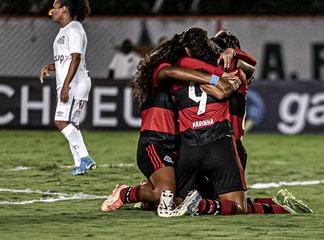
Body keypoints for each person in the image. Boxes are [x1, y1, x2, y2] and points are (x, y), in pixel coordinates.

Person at [172, 27, 313, 216]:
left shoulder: (183, 71)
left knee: (200, 198)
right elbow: (250, 66)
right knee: (233, 205)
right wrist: (234, 54)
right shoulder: (235, 74)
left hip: (193, 144)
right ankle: (280, 207)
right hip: (226, 145)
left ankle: (279, 205)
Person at [100, 32, 240, 216]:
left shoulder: (185, 76)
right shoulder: (161, 69)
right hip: (156, 143)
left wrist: (231, 52)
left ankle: (149, 192)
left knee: (204, 195)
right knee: (164, 194)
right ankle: (126, 193)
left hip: (180, 145)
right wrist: (215, 79)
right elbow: (171, 72)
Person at [39, 0, 95, 175]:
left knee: (61, 122)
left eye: (53, 9)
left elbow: (76, 58)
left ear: (64, 9)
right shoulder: (64, 31)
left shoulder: (75, 28)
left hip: (74, 83)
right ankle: (80, 165)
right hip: (71, 83)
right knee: (73, 124)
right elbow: (66, 60)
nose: (52, 13)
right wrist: (51, 66)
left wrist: (66, 85)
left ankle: (86, 159)